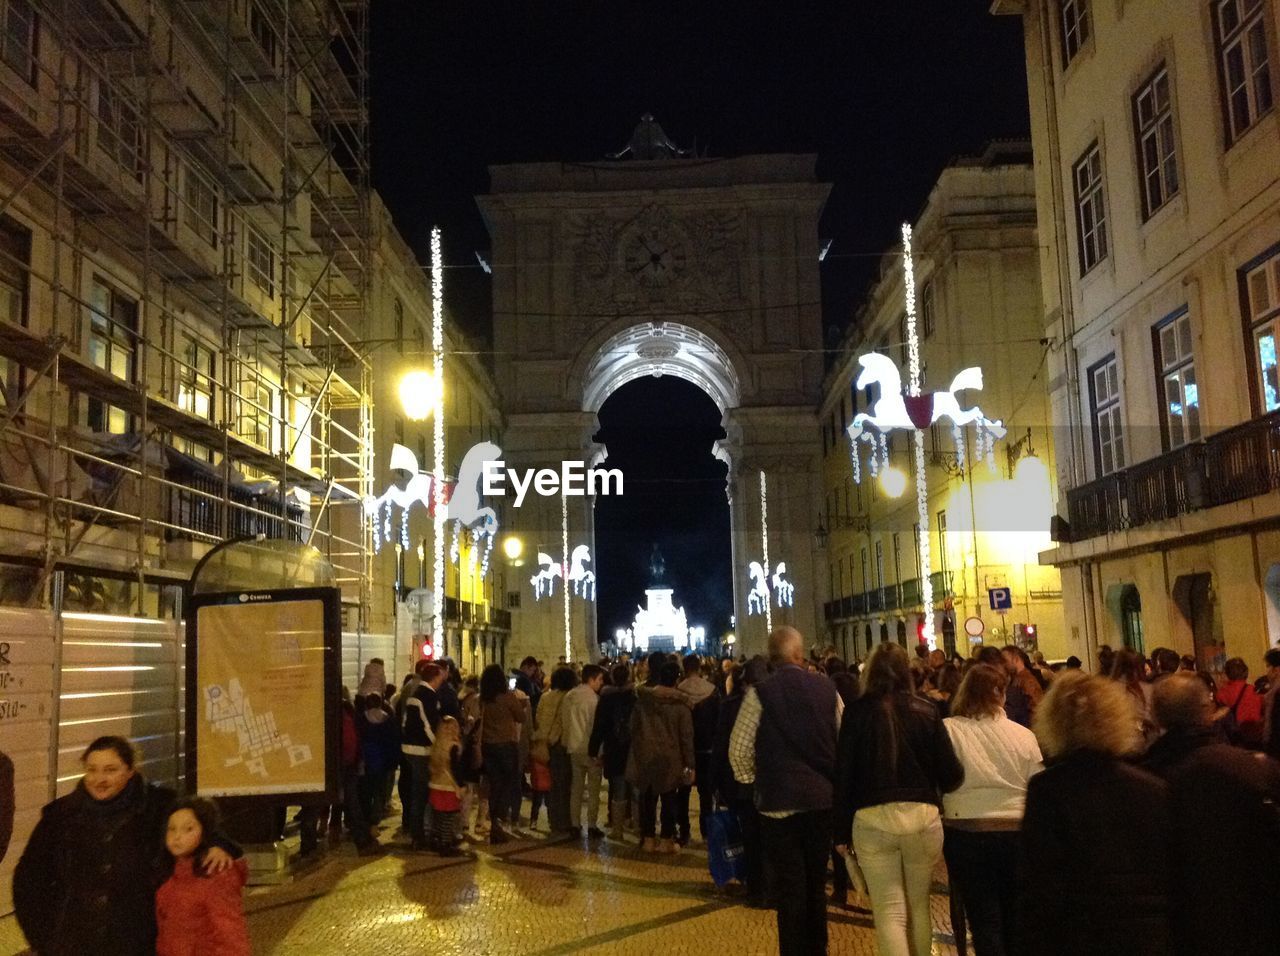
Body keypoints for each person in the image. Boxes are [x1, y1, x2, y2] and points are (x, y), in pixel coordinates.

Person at [14, 736, 237, 956]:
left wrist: (217, 844)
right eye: (92, 770)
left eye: (111, 770)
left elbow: (202, 826)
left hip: (140, 939)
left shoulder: (161, 806)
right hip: (74, 942)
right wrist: (43, 939)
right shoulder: (60, 816)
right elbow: (30, 878)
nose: (99, 779)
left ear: (131, 771)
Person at [1018, 671, 1169, 955]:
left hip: (1079, 930)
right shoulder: (1151, 787)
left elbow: (1040, 879)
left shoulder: (1048, 790)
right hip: (1146, 933)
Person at [834, 642, 963, 956]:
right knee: (919, 906)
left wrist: (838, 832)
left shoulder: (856, 713)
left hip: (873, 820)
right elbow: (952, 775)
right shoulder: (927, 710)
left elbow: (843, 776)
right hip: (922, 818)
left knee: (890, 912)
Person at [1140, 672, 1280, 956]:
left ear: (1155, 716)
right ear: (1207, 711)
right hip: (1250, 914)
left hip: (1177, 920)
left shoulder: (1142, 777)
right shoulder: (1253, 769)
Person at [731, 627, 841, 956]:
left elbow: (738, 749)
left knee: (790, 887)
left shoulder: (759, 693)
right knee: (816, 883)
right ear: (799, 654)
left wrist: (755, 780)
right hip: (821, 800)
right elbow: (843, 734)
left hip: (777, 805)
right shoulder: (828, 689)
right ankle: (818, 949)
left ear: (771, 658)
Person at [942, 664, 1043, 956]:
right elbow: (1036, 784)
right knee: (1013, 914)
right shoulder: (1024, 736)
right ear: (1000, 696)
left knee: (984, 919)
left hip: (966, 829)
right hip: (1016, 829)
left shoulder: (950, 731)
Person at [155, 797, 251, 956]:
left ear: (205, 833)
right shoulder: (171, 875)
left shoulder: (216, 875)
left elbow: (230, 934)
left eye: (188, 829)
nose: (177, 836)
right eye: (171, 829)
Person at [712, 656, 770, 906]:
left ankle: (755, 886)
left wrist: (715, 782)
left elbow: (723, 745)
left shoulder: (730, 705)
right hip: (771, 781)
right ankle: (772, 884)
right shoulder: (776, 701)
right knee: (770, 836)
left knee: (750, 836)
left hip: (742, 783)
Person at [627, 658, 694, 854]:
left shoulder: (642, 703)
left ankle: (648, 839)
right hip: (670, 760)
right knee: (668, 800)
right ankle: (666, 839)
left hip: (646, 757)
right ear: (676, 679)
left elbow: (632, 728)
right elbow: (687, 739)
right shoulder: (681, 706)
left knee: (648, 799)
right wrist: (690, 765)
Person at [479, 662, 526, 844]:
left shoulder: (484, 699)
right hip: (506, 745)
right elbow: (520, 717)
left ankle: (494, 823)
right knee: (508, 783)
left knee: (494, 783)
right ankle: (499, 820)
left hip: (488, 746)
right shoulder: (507, 697)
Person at [589, 662, 637, 841]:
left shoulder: (606, 698)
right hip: (633, 749)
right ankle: (638, 826)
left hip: (614, 748)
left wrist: (593, 749)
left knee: (618, 788)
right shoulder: (635, 696)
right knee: (636, 789)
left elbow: (599, 725)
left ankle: (618, 830)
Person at [401, 661, 446, 850]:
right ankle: (419, 835)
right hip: (422, 750)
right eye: (440, 677)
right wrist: (438, 745)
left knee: (415, 791)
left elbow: (405, 722)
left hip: (408, 749)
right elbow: (428, 724)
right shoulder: (427, 696)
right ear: (434, 678)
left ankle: (416, 831)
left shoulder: (413, 695)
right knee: (421, 793)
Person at [676, 653, 719, 844]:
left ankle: (684, 831)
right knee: (706, 794)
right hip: (707, 750)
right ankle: (707, 831)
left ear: (685, 670)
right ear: (699, 668)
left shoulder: (678, 691)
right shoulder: (712, 691)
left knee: (683, 793)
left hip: (686, 751)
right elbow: (719, 722)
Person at [562, 663, 606, 838]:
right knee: (594, 790)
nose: (601, 683)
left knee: (576, 788)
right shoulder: (594, 700)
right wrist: (600, 751)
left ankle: (575, 824)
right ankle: (592, 825)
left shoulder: (570, 696)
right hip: (590, 749)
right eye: (600, 679)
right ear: (591, 679)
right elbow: (596, 729)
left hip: (574, 747)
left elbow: (565, 722)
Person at [532, 665, 578, 834]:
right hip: (560, 744)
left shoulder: (545, 697)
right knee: (564, 785)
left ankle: (553, 820)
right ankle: (563, 821)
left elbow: (538, 718)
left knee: (551, 785)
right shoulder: (569, 697)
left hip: (544, 744)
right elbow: (565, 722)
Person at [428, 715, 468, 855]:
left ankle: (437, 840)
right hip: (449, 786)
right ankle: (446, 845)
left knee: (439, 816)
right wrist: (462, 785)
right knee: (449, 816)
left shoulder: (437, 744)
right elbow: (456, 768)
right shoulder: (454, 746)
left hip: (435, 785)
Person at [1215, 656, 1264, 748]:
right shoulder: (1253, 690)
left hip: (1236, 739)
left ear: (1227, 673)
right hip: (1256, 737)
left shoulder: (1223, 693)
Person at [1000, 646, 1044, 723]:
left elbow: (1036, 709)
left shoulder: (1027, 681)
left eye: (1005, 661)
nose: (1003, 665)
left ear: (1016, 659)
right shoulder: (1017, 679)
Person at [1262, 647, 1280, 759]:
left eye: (1268, 666)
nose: (1266, 671)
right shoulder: (1272, 692)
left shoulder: (1277, 693)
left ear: (1276, 669)